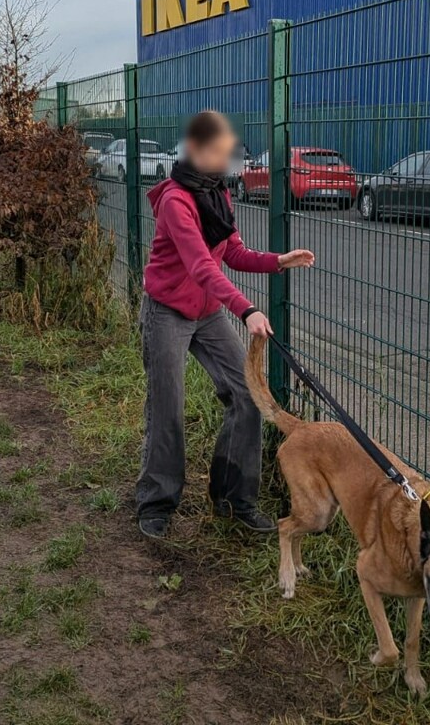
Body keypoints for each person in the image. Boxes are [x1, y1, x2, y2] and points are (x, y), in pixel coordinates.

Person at [138, 110, 315, 539]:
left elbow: (230, 252)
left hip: (207, 313)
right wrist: (247, 309)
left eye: (227, 152)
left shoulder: (217, 193)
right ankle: (156, 503)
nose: (225, 161)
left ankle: (234, 498)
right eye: (218, 152)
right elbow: (200, 266)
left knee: (247, 393)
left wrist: (277, 261)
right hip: (167, 311)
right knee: (168, 408)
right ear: (195, 150)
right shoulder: (176, 201)